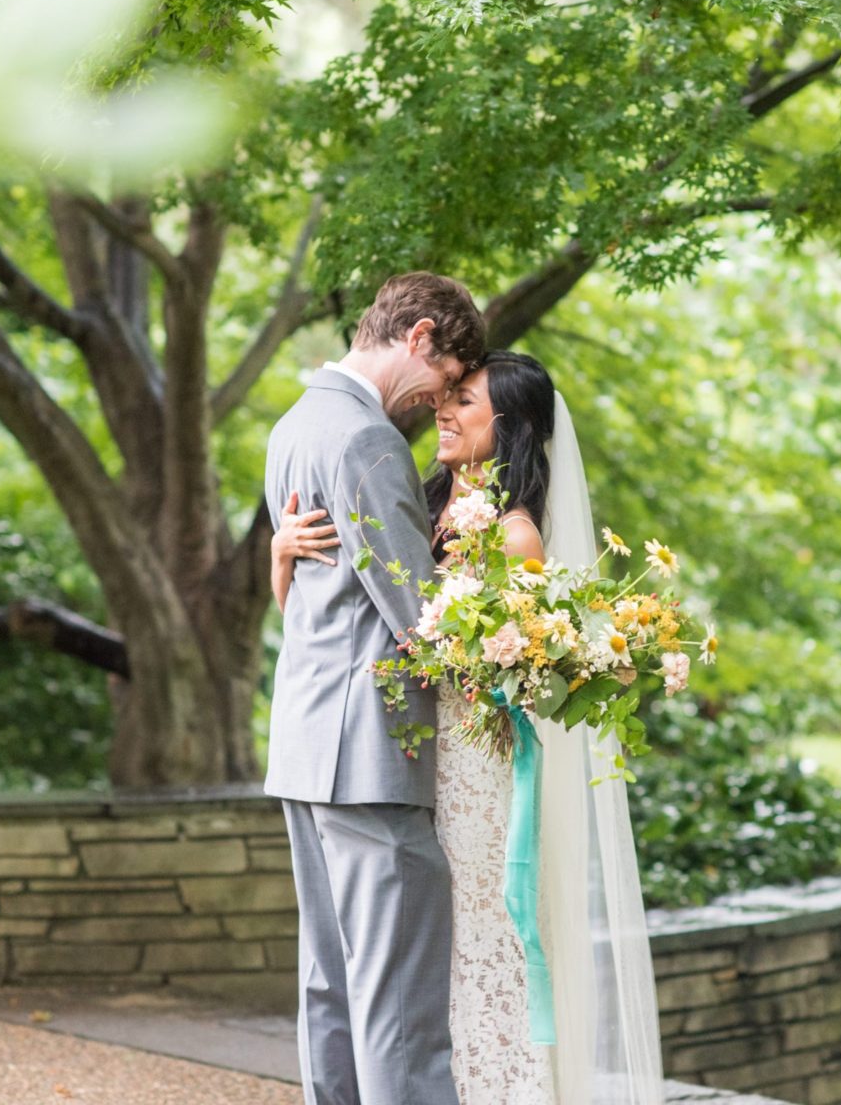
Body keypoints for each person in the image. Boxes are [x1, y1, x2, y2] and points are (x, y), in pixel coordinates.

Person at [272, 350, 666, 1105]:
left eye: (466, 401)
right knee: (406, 960)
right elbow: (313, 621)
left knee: (476, 943)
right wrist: (280, 553)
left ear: (509, 426)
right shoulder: (411, 505)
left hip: (472, 769)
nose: (442, 410)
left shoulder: (516, 535)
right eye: (446, 395)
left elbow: (512, 673)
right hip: (400, 752)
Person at [261, 271, 486, 1105]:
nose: (442, 401)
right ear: (419, 337)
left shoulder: (294, 423)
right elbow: (418, 611)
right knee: (398, 1006)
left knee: (330, 984)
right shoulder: (366, 440)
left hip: (306, 743)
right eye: (449, 378)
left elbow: (309, 593)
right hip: (370, 754)